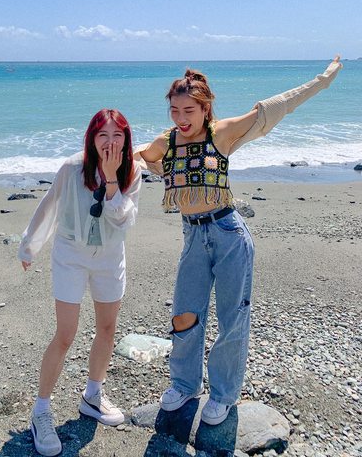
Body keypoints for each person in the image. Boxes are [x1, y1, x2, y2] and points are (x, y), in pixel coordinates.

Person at [138, 57, 342, 426]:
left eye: (188, 110)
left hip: (228, 233)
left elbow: (272, 109)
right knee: (184, 315)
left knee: (233, 318)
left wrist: (320, 82)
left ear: (205, 108)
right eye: (174, 110)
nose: (181, 118)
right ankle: (185, 385)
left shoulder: (222, 134)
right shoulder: (166, 142)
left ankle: (223, 395)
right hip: (192, 237)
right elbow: (135, 157)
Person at [18, 109, 142, 457]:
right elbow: (50, 204)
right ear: (91, 138)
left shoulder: (132, 171)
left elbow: (124, 220)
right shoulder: (72, 168)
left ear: (126, 139)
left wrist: (112, 178)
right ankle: (41, 411)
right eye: (103, 134)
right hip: (70, 254)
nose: (110, 142)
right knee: (66, 333)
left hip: (110, 256)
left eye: (117, 135)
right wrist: (29, 245)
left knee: (107, 328)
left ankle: (92, 395)